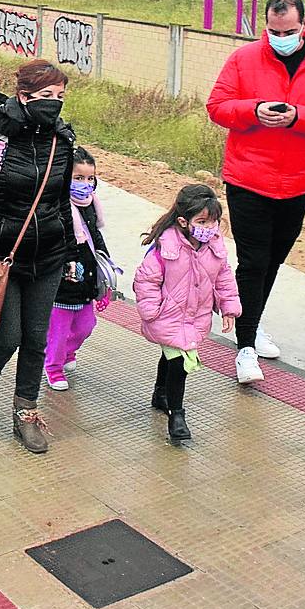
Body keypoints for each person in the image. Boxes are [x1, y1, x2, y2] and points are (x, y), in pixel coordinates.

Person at [206, 0, 305, 385]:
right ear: (265, 25)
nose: (280, 37)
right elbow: (217, 106)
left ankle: (251, 321)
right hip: (247, 177)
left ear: (304, 26)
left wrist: (298, 117)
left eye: (287, 31)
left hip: (297, 181)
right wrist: (253, 111)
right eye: (272, 30)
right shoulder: (244, 58)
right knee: (252, 262)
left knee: (273, 259)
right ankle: (245, 345)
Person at [0, 59, 79, 454]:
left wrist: (72, 250)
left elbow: (62, 199)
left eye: (60, 97)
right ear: (23, 97)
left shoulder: (62, 140)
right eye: (45, 97)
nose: (54, 104)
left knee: (37, 339)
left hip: (49, 255)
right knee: (7, 336)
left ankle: (25, 412)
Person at [132, 185, 241, 444]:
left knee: (170, 357)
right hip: (168, 317)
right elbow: (146, 280)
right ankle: (176, 416)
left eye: (214, 221)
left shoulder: (215, 247)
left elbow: (224, 278)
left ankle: (160, 394)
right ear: (183, 221)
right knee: (180, 364)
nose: (210, 227)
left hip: (194, 318)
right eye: (202, 221)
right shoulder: (166, 247)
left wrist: (229, 307)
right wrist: (151, 311)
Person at [44, 147, 110, 391]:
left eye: (89, 178)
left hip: (87, 280)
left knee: (85, 327)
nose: (85, 184)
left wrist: (105, 265)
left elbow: (96, 237)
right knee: (59, 331)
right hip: (63, 283)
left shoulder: (90, 204)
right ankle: (53, 367)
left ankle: (66, 353)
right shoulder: (56, 207)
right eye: (78, 178)